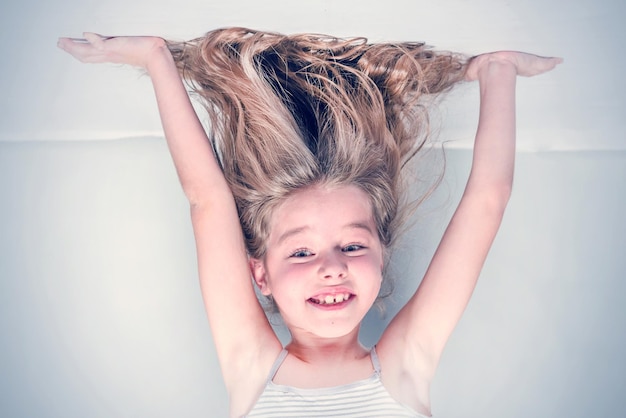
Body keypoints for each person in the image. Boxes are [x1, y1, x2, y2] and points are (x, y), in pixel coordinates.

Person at [57, 28, 561, 417]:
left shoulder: (405, 368)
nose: (332, 268)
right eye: (300, 252)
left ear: (382, 257)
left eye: (353, 246)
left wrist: (499, 70)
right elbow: (206, 201)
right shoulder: (253, 367)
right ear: (261, 274)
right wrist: (155, 58)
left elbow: (485, 204)